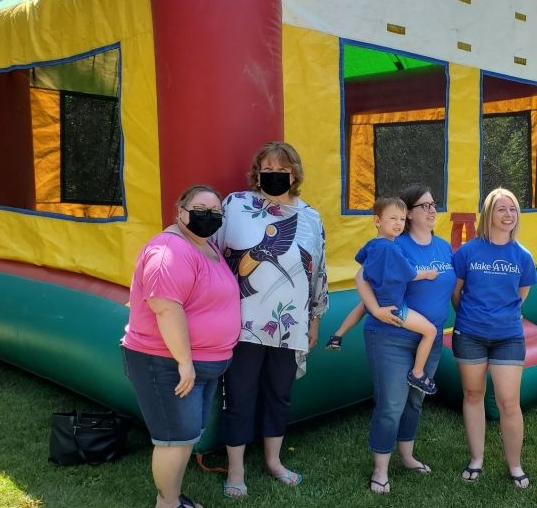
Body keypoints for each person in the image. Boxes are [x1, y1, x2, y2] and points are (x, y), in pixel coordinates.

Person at [215, 141, 328, 499]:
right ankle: (236, 469)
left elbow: (318, 272)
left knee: (279, 395)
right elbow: (213, 254)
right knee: (240, 394)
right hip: (242, 321)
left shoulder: (311, 217)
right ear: (257, 172)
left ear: (294, 174)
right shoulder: (235, 205)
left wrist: (315, 318)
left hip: (290, 324)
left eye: (283, 168)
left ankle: (274, 461)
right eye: (268, 168)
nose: (275, 174)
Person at [121, 184, 240, 508]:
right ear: (180, 210)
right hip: (167, 362)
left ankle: (172, 498)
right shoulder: (168, 251)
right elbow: (166, 309)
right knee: (174, 440)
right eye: (201, 209)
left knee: (185, 437)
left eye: (216, 212)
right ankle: (167, 503)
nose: (210, 216)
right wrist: (184, 361)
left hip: (199, 364)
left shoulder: (206, 247)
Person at [357, 185, 457, 494]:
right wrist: (375, 309)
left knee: (416, 399)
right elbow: (362, 279)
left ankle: (407, 455)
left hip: (431, 340)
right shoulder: (392, 245)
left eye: (433, 204)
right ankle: (380, 470)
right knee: (391, 404)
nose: (431, 210)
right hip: (392, 337)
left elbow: (454, 289)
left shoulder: (443, 247)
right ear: (408, 213)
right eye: (424, 205)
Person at [452, 187, 537, 489]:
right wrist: (475, 317)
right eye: (502, 209)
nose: (508, 215)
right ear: (488, 213)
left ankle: (515, 465)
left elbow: (520, 296)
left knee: (509, 402)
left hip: (508, 337)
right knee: (473, 395)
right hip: (470, 334)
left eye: (513, 209)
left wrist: (499, 318)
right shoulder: (467, 252)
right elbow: (456, 293)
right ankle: (477, 459)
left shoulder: (523, 256)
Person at [325, 197, 439, 394]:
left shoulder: (373, 244)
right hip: (394, 308)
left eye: (402, 219)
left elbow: (360, 259)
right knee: (430, 332)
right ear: (377, 221)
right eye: (393, 218)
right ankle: (418, 373)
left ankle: (337, 335)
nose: (398, 224)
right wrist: (428, 274)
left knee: (362, 307)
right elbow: (410, 274)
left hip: (376, 297)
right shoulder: (391, 248)